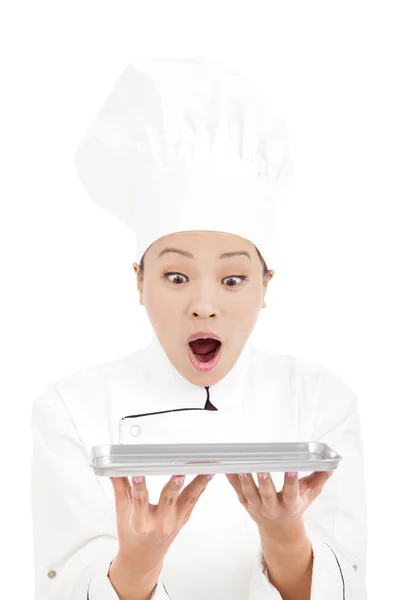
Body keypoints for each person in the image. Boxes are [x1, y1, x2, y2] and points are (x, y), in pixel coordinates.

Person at [30, 57, 368, 600]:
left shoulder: (321, 400)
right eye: (177, 275)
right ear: (139, 282)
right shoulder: (69, 410)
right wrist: (139, 563)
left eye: (233, 278)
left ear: (266, 286)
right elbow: (62, 587)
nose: (204, 305)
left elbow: (349, 584)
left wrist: (285, 539)